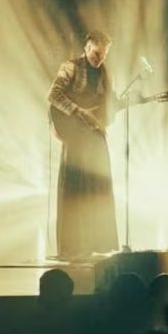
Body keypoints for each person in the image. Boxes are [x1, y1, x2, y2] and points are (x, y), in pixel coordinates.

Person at [47, 30, 121, 260]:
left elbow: (109, 104)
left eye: (104, 55)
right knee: (75, 189)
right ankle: (72, 246)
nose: (101, 59)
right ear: (88, 47)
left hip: (95, 137)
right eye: (98, 53)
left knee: (98, 186)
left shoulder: (104, 74)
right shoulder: (70, 67)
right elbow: (54, 95)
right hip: (76, 137)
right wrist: (80, 113)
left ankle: (99, 242)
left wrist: (117, 107)